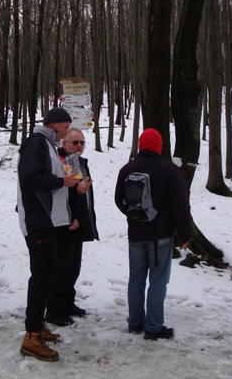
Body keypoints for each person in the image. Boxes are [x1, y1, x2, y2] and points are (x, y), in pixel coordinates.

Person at [114, 128, 192, 341]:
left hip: (135, 235)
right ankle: (154, 328)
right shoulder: (169, 170)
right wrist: (185, 234)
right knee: (158, 281)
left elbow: (119, 200)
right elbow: (179, 205)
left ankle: (135, 322)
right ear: (159, 147)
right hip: (160, 236)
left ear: (140, 145)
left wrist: (134, 216)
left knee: (136, 280)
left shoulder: (127, 169)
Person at [17, 107, 80, 362]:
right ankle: (31, 336)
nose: (66, 131)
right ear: (54, 125)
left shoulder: (48, 145)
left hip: (50, 222)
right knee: (41, 277)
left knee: (48, 275)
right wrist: (60, 182)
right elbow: (30, 177)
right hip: (39, 222)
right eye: (65, 127)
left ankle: (38, 325)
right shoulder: (37, 143)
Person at [46, 128, 99, 326]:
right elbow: (67, 192)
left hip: (78, 222)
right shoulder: (63, 161)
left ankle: (68, 303)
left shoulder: (78, 161)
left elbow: (78, 190)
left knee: (73, 267)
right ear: (64, 143)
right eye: (75, 142)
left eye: (82, 142)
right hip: (66, 223)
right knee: (62, 268)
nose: (79, 146)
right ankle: (55, 310)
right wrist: (71, 217)